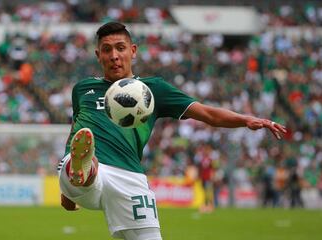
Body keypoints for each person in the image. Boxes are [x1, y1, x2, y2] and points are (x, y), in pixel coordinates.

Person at [58, 22, 287, 240]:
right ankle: (80, 170)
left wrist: (246, 119)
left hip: (129, 177)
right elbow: (76, 134)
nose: (114, 56)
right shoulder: (83, 89)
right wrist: (66, 188)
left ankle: (79, 172)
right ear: (98, 55)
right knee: (87, 167)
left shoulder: (153, 89)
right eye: (106, 50)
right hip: (89, 173)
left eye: (120, 48)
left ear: (133, 50)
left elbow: (207, 113)